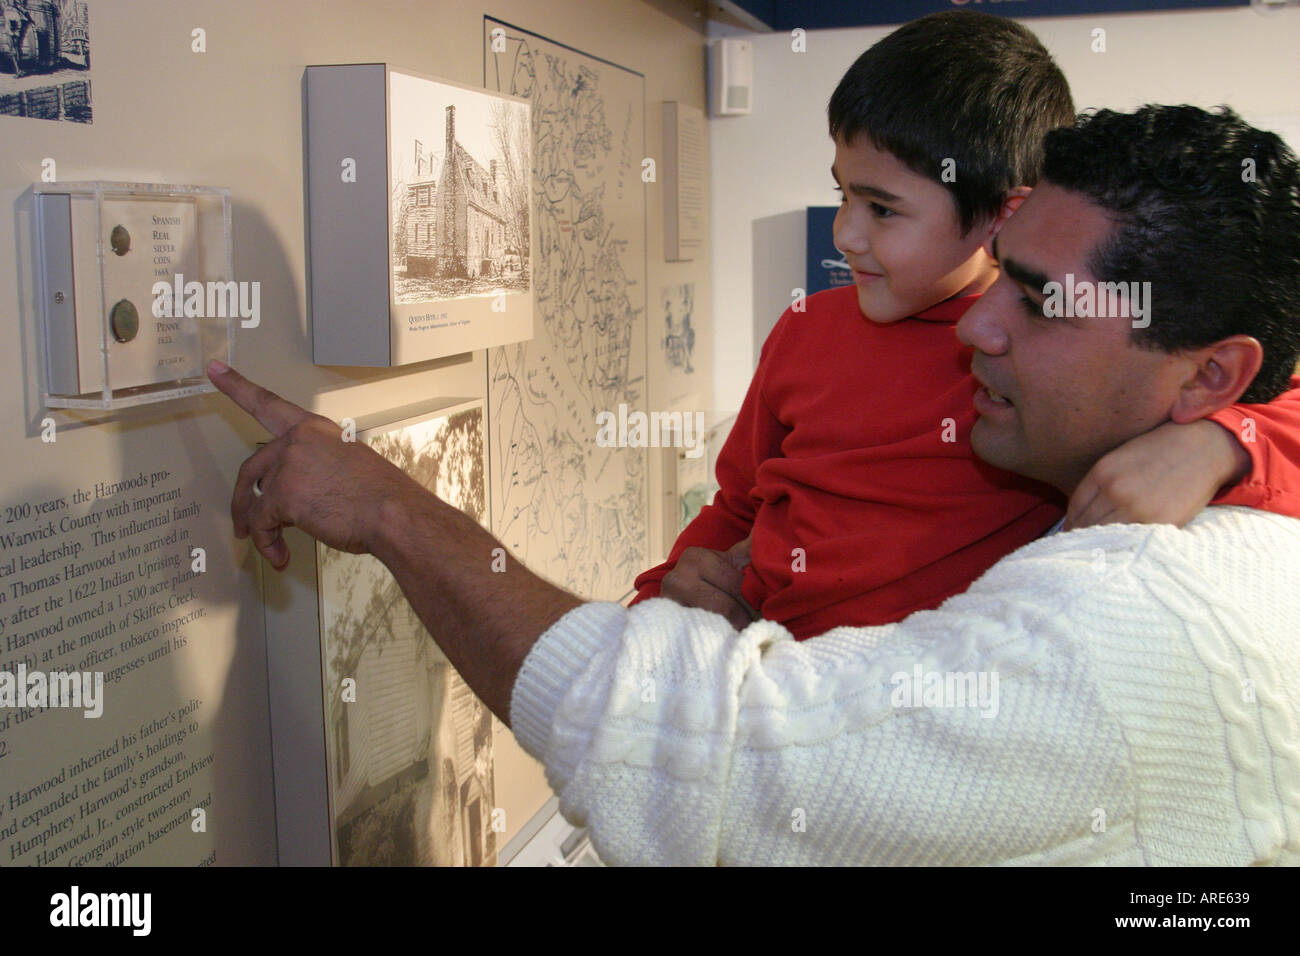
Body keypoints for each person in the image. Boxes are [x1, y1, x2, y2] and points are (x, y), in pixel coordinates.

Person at [209, 103, 1300, 866]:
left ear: (1212, 375)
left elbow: (703, 761)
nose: (973, 324)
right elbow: (743, 497)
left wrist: (392, 506)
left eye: (1034, 298)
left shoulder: (1124, 627)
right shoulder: (1218, 510)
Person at [632, 11, 1300, 639]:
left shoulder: (1045, 368)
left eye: (882, 209)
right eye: (842, 193)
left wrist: (1221, 443)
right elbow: (740, 501)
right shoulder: (806, 327)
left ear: (1004, 216)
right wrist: (654, 605)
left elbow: (1273, 391)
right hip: (756, 659)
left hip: (889, 691)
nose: (845, 234)